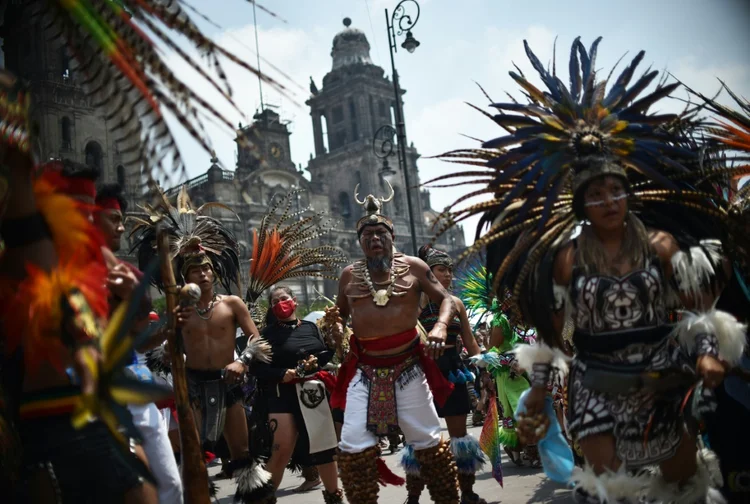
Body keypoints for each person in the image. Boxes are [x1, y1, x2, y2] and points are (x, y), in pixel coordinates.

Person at [430, 37, 749, 503]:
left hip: (663, 377)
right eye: (595, 195)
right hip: (596, 380)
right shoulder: (567, 258)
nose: (608, 202)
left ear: (628, 194)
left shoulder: (660, 245)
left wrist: (704, 354)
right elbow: (552, 335)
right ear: (582, 203)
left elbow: (695, 310)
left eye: (614, 191)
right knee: (609, 485)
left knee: (683, 483)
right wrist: (537, 393)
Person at [0, 70, 159, 504]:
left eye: (93, 215)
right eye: (79, 214)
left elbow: (134, 326)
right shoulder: (30, 254)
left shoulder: (101, 263)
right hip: (51, 420)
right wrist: (13, 130)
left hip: (101, 412)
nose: (88, 226)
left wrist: (135, 296)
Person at [131, 185, 274, 503]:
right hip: (192, 390)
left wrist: (242, 361)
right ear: (185, 276)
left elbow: (257, 339)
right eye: (196, 269)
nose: (204, 273)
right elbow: (154, 350)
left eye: (207, 267)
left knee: (243, 455)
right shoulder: (177, 310)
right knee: (193, 458)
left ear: (215, 271)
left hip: (229, 386)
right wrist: (168, 341)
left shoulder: (233, 304)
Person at [330, 184, 461, 504]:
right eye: (367, 234)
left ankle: (448, 499)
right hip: (365, 370)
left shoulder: (415, 267)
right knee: (352, 444)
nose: (374, 239)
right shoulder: (348, 275)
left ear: (392, 237)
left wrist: (441, 327)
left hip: (409, 367)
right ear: (358, 241)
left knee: (427, 440)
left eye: (380, 233)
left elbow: (447, 301)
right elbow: (339, 315)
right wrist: (334, 328)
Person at [94, 182, 183, 504]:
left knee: (170, 484)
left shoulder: (129, 274)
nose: (121, 226)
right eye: (113, 218)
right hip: (88, 393)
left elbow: (139, 342)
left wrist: (170, 328)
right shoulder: (64, 272)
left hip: (131, 383)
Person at [401, 245, 487, 504]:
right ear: (428, 272)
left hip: (453, 371)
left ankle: (468, 493)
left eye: (450, 270)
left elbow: (470, 342)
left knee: (459, 438)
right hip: (420, 374)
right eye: (441, 270)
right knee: (417, 440)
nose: (448, 275)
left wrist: (486, 369)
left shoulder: (456, 303)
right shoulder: (414, 302)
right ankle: (413, 496)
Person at [252, 285, 343, 504]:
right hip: (281, 393)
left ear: (295, 301)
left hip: (312, 392)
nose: (280, 304)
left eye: (284, 299)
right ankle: (264, 499)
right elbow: (256, 368)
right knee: (282, 449)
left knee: (324, 449)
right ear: (272, 308)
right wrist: (281, 373)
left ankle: (334, 497)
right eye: (275, 302)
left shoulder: (311, 328)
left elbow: (321, 357)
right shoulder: (266, 334)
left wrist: (333, 344)